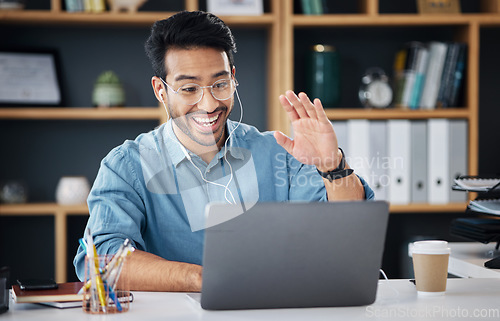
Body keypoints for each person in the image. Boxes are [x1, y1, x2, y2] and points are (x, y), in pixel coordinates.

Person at [74, 10, 374, 292]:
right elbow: (100, 259)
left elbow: (347, 231)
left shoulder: (279, 153)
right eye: (189, 89)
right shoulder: (126, 166)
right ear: (160, 90)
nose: (208, 104)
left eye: (220, 83)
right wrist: (203, 278)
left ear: (233, 76)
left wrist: (331, 165)